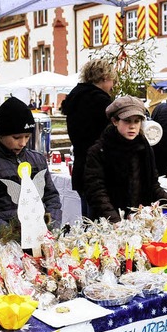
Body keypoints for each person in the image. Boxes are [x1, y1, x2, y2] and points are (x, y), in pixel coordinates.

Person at [0, 97, 62, 235]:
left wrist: (51, 225)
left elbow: (52, 197)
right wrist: (8, 232)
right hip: (4, 242)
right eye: (16, 137)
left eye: (27, 136)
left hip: (40, 236)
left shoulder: (38, 160)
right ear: (1, 135)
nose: (23, 143)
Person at [83, 96, 167, 223]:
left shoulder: (144, 147)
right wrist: (115, 220)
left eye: (137, 121)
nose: (132, 126)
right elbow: (96, 192)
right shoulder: (99, 150)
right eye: (127, 121)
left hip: (138, 220)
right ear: (115, 121)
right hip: (107, 223)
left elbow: (153, 185)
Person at [61, 59, 115, 216]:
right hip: (97, 170)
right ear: (104, 78)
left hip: (80, 167)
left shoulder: (75, 97)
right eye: (112, 80)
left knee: (87, 218)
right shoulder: (101, 102)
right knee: (99, 222)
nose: (112, 85)